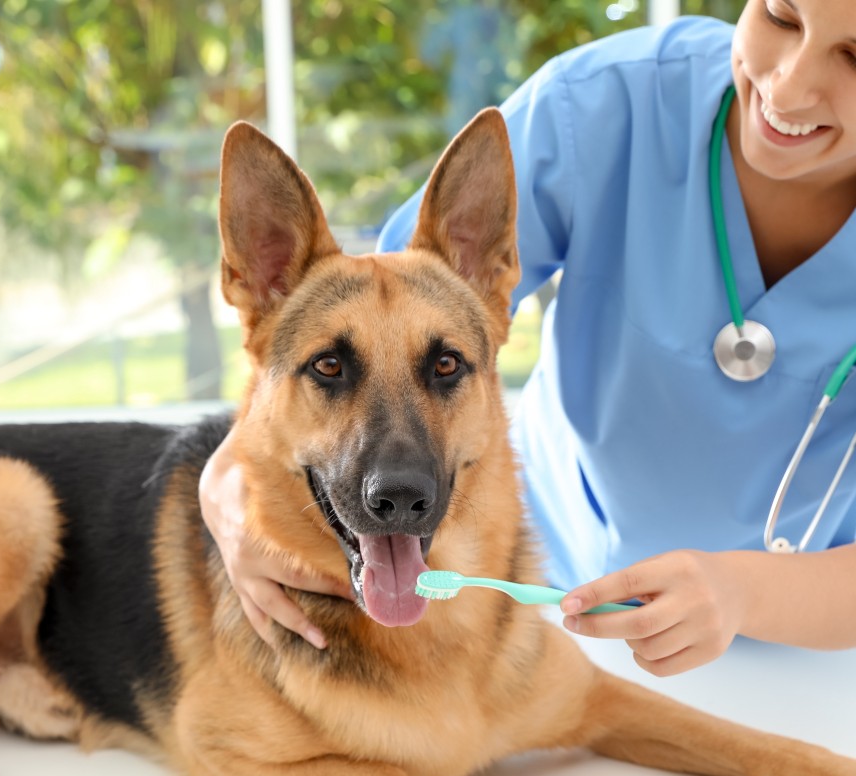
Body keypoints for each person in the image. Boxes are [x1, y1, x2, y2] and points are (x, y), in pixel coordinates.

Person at [200, 0, 856, 677]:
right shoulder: (603, 106)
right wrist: (224, 487)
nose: (787, 85)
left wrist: (745, 593)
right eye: (781, 16)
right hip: (539, 595)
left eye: (854, 57)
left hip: (814, 644)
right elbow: (361, 315)